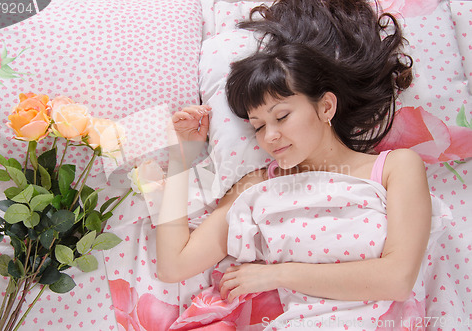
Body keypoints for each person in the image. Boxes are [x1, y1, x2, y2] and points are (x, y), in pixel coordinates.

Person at [155, 0, 446, 329]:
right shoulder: (257, 185)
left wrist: (274, 275)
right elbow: (173, 265)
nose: (270, 137)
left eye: (282, 116)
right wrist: (182, 154)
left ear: (325, 107)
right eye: (258, 126)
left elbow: (397, 278)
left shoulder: (395, 168)